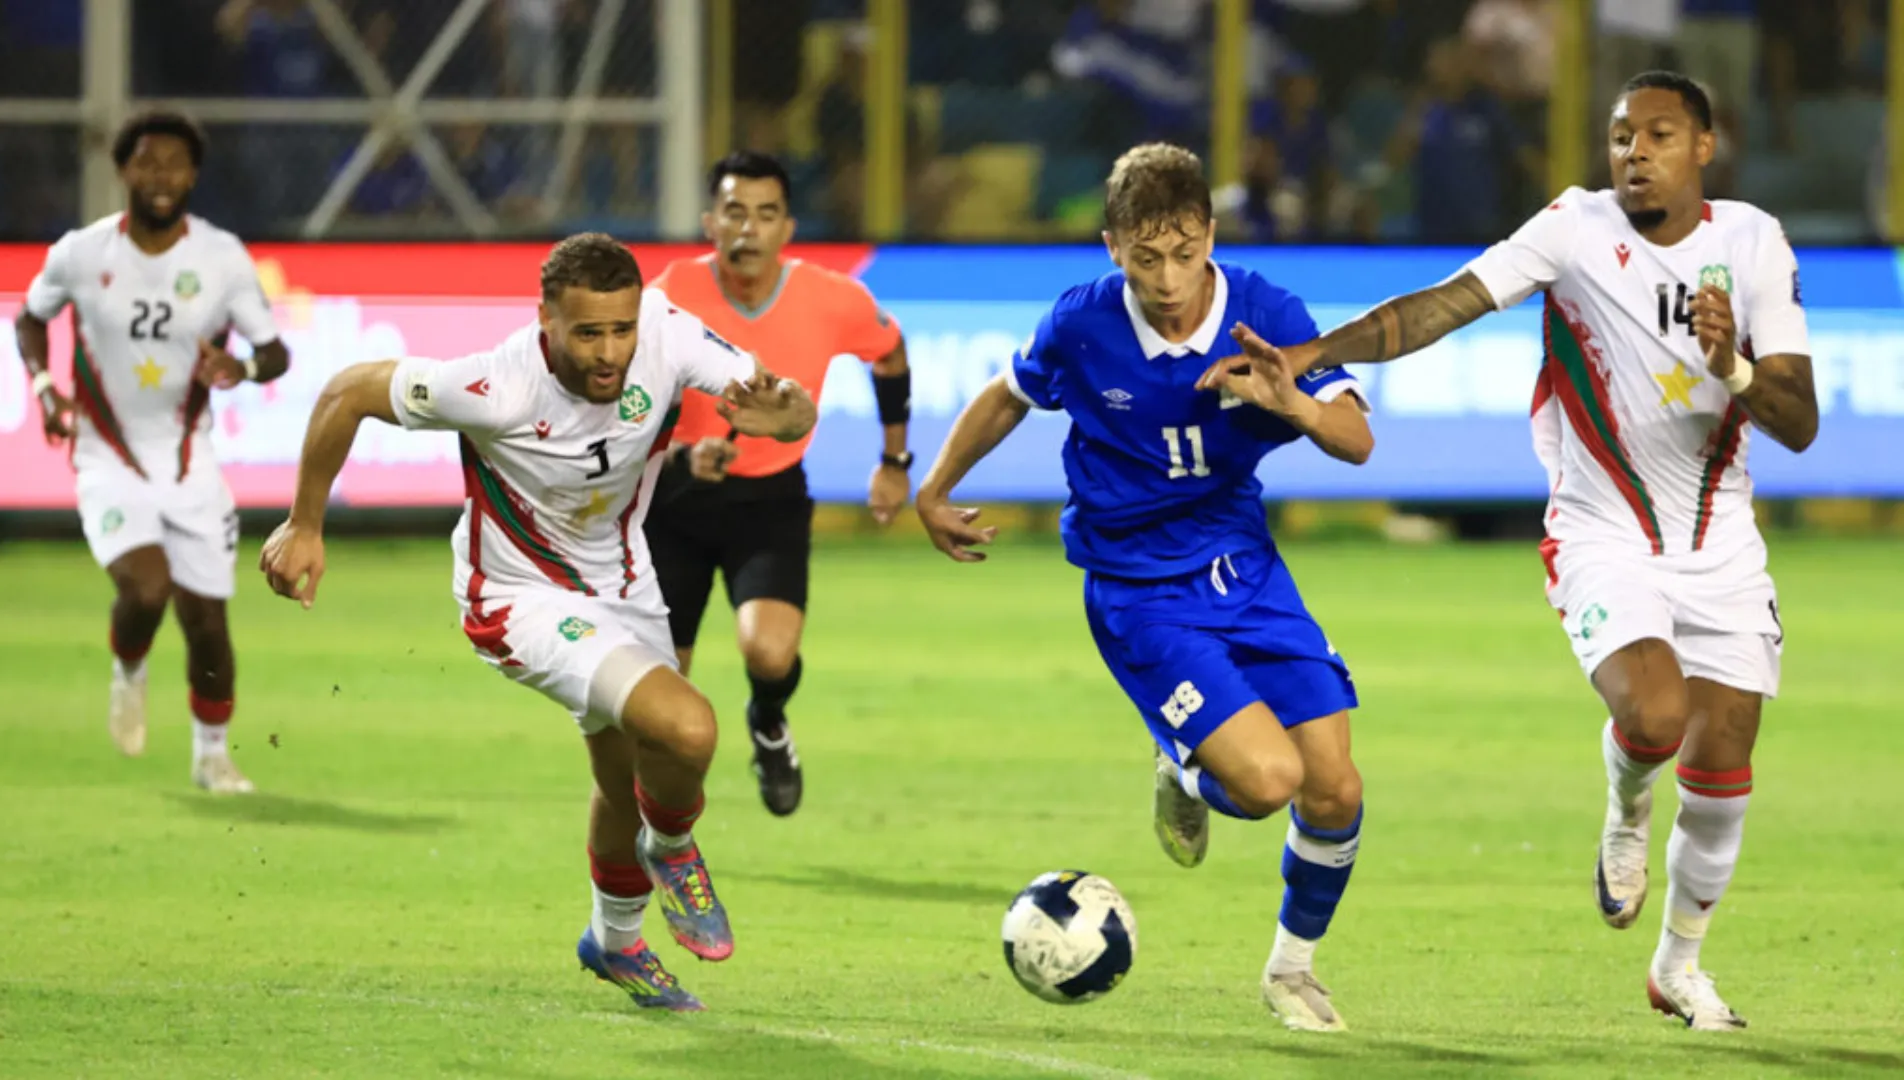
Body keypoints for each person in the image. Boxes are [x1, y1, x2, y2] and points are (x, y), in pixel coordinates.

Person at [1221, 72, 1817, 1030]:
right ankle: (1627, 803)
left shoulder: (1752, 242)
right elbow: (1442, 304)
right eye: (1620, 136)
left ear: (1705, 147)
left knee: (1724, 765)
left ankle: (1679, 967)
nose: (1633, 152)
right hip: (1602, 532)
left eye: (1659, 135)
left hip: (1722, 546)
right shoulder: (1575, 227)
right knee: (1656, 719)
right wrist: (1309, 355)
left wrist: (1733, 369)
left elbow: (1800, 422)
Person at [258, 234, 816, 1011]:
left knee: (625, 771)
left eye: (620, 329)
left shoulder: (666, 330)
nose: (609, 352)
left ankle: (615, 942)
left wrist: (787, 416)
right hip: (517, 598)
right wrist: (305, 523)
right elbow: (346, 392)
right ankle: (673, 847)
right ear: (546, 318)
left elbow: (789, 406)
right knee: (688, 730)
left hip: (624, 582)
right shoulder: (495, 385)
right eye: (588, 333)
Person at [915, 143, 1375, 1032]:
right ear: (1112, 247)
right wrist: (935, 489)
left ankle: (1291, 971)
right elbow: (1008, 393)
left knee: (1337, 790)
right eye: (1145, 258)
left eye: (1184, 254)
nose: (1167, 280)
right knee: (1269, 782)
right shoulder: (1082, 324)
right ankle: (1188, 770)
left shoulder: (1268, 313)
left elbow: (1356, 441)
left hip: (1246, 569)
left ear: (1210, 235)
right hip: (1139, 590)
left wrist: (1293, 402)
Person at [15, 108, 292, 793]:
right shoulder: (81, 253)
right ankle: (129, 668)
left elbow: (275, 353)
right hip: (106, 455)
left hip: (190, 461)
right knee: (146, 588)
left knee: (207, 622)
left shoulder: (221, 258)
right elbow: (29, 318)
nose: (161, 176)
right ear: (123, 170)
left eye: (175, 164)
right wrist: (45, 388)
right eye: (147, 162)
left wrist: (239, 368)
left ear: (193, 175)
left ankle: (211, 756)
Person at [645, 151, 910, 817]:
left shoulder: (832, 298)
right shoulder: (667, 297)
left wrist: (894, 461)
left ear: (787, 228)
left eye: (766, 215)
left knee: (768, 653)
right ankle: (665, 826)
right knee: (660, 690)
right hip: (673, 504)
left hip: (768, 501)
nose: (749, 229)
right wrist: (680, 454)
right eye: (735, 212)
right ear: (710, 221)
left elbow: (890, 353)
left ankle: (767, 720)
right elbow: (626, 403)